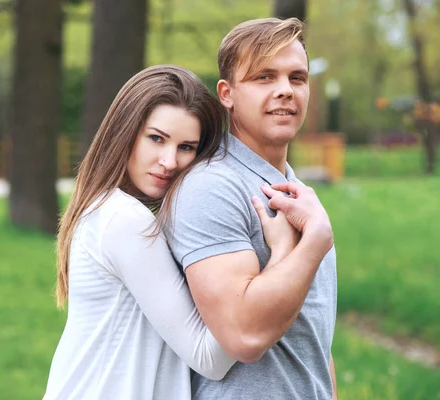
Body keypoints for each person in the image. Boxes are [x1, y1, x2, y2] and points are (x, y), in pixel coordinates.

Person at [42, 65, 300, 400]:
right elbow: (209, 358)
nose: (169, 161)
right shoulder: (124, 220)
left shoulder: (108, 210)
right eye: (156, 139)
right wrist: (281, 255)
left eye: (187, 147)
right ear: (124, 132)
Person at [166, 18, 338, 399]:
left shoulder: (297, 193)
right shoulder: (212, 187)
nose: (285, 91)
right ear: (226, 93)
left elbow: (314, 338)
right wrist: (315, 242)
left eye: (297, 78)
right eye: (264, 77)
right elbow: (243, 335)